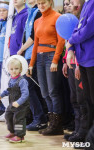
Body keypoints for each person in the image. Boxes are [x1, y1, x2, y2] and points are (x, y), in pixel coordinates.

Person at [28, 0, 65, 135]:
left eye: (44, 2)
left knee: (53, 91)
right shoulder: (37, 21)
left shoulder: (57, 17)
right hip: (40, 58)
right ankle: (51, 122)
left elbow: (61, 41)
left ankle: (57, 125)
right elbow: (35, 44)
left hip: (51, 56)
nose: (41, 5)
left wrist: (56, 59)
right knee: (44, 92)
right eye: (39, 3)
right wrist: (31, 64)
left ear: (50, 2)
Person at [66, 0, 94, 143]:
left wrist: (71, 41)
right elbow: (78, 27)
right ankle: (87, 135)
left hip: (91, 58)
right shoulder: (87, 4)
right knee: (87, 100)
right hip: (83, 59)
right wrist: (71, 48)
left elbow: (89, 28)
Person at [17, 0, 47, 131]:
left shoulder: (38, 12)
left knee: (30, 87)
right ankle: (40, 118)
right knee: (31, 87)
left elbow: (34, 36)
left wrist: (21, 49)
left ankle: (40, 118)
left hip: (35, 55)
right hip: (29, 55)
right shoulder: (31, 13)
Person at [0, 57, 30, 143]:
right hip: (12, 104)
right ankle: (12, 132)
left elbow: (25, 94)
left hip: (21, 105)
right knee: (8, 116)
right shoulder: (11, 79)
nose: (14, 71)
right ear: (8, 69)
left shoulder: (22, 81)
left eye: (16, 69)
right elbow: (9, 90)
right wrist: (1, 95)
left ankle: (19, 135)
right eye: (11, 69)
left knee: (18, 119)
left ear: (20, 69)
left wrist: (19, 102)